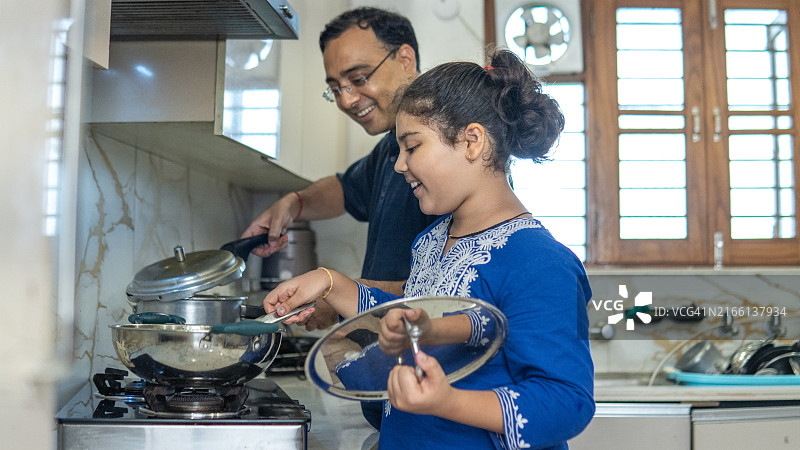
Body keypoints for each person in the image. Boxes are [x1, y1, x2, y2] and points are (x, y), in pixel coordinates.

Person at [264, 49, 595, 449]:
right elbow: (412, 315)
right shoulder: (432, 241)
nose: (399, 165)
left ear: (472, 141)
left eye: (412, 147)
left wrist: (448, 402)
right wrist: (329, 283)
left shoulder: (544, 263)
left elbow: (568, 401)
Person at [241, 7, 438, 332]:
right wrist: (293, 203)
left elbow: (452, 287)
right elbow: (345, 189)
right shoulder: (390, 148)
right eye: (335, 88)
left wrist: (338, 294)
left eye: (359, 78)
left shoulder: (444, 150)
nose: (346, 101)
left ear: (405, 59)